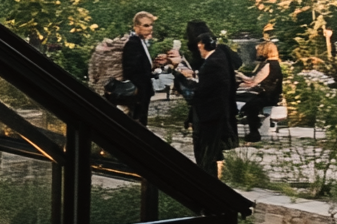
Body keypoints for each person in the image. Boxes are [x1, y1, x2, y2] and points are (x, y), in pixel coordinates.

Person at [176, 20, 240, 172]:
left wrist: (179, 72)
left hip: (208, 110)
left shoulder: (210, 61)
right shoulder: (222, 52)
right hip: (220, 105)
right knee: (211, 150)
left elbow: (196, 90)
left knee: (205, 150)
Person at [120, 11, 167, 129]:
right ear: (136, 26)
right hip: (138, 94)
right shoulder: (133, 44)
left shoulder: (140, 42)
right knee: (138, 126)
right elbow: (131, 70)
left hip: (142, 92)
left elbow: (140, 67)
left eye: (151, 25)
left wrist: (154, 65)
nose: (150, 28)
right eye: (146, 25)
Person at [238, 40, 284, 143]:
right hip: (272, 95)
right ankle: (253, 129)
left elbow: (254, 82)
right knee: (250, 103)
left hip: (267, 96)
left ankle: (254, 132)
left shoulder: (268, 64)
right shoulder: (275, 63)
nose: (257, 52)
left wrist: (238, 79)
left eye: (259, 50)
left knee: (249, 106)